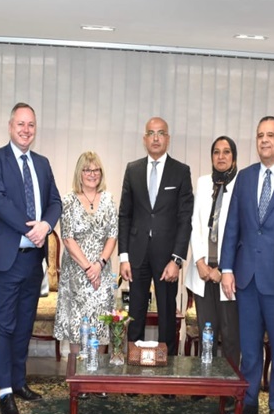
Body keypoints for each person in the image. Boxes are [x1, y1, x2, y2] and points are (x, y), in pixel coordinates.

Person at [220, 116, 274, 414]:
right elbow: (233, 227)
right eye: (259, 136)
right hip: (246, 278)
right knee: (250, 345)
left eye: (271, 135)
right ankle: (251, 399)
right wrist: (227, 268)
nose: (265, 140)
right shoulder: (244, 177)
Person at [0, 103, 62, 414]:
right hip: (5, 260)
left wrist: (47, 226)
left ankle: (18, 381)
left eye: (31, 125)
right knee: (4, 325)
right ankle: (3, 392)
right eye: (21, 124)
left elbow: (54, 201)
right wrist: (34, 226)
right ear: (10, 125)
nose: (26, 130)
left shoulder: (42, 163)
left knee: (24, 325)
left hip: (32, 261)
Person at [118, 117, 193, 357]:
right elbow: (124, 215)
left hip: (167, 259)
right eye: (151, 133)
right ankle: (133, 371)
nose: (156, 138)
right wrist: (124, 257)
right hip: (137, 255)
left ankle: (168, 374)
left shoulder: (181, 172)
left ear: (168, 138)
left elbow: (185, 219)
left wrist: (177, 259)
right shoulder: (133, 169)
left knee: (167, 316)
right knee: (136, 315)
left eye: (161, 133)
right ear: (145, 139)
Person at [53, 151, 118, 357]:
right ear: (79, 173)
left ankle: (97, 377)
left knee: (100, 324)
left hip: (102, 271)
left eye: (96, 169)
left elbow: (112, 235)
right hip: (77, 273)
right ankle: (77, 379)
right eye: (87, 169)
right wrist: (89, 268)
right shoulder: (68, 200)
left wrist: (99, 264)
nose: (92, 173)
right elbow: (67, 238)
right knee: (77, 326)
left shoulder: (108, 199)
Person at [184, 136, 241, 367]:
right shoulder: (203, 182)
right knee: (206, 333)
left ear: (234, 157)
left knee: (229, 336)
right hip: (203, 272)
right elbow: (195, 224)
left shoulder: (241, 184)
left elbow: (241, 232)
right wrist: (199, 262)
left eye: (226, 152)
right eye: (216, 152)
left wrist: (224, 268)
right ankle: (204, 381)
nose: (221, 156)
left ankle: (228, 393)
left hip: (228, 274)